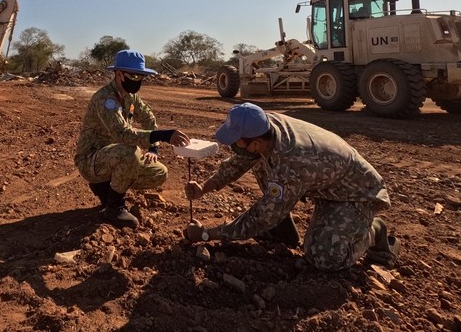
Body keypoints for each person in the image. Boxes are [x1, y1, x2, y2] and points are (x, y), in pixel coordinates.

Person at [184, 103, 400, 270]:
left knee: (324, 257)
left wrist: (207, 234)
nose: (232, 146)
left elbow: (262, 216)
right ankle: (282, 232)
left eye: (236, 141)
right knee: (258, 161)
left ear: (255, 141)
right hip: (324, 181)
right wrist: (206, 186)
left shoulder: (291, 162)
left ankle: (374, 230)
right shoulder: (264, 126)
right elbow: (240, 161)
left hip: (355, 193)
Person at [75, 50, 190, 229]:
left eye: (141, 76)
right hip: (92, 160)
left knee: (158, 172)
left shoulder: (130, 96)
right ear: (119, 74)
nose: (138, 81)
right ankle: (114, 207)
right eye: (134, 75)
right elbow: (122, 134)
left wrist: (154, 148)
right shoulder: (105, 99)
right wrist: (164, 135)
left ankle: (106, 188)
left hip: (113, 156)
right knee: (130, 151)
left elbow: (148, 117)